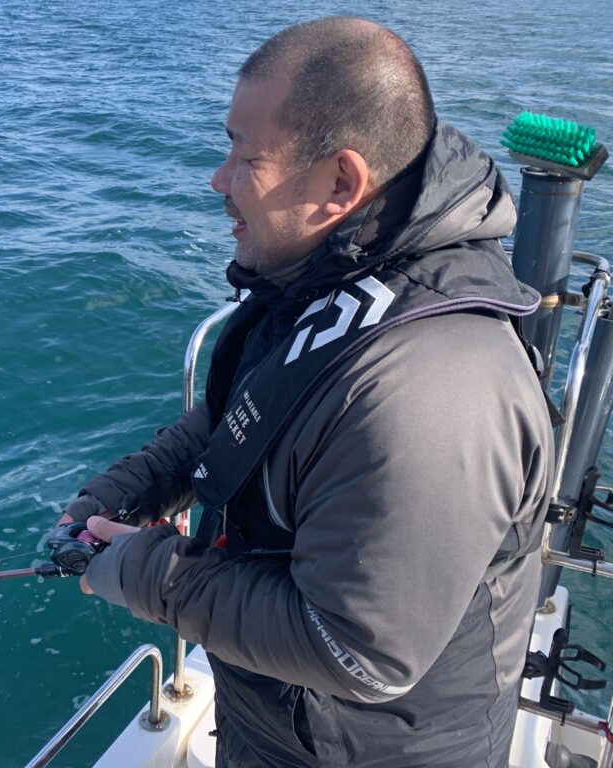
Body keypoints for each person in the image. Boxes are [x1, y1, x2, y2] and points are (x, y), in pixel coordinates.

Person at [57, 16, 554, 768]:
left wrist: (144, 572)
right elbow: (244, 417)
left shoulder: (432, 393)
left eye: (246, 155)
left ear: (341, 185)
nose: (219, 180)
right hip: (274, 728)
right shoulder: (328, 275)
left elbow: (358, 651)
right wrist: (130, 491)